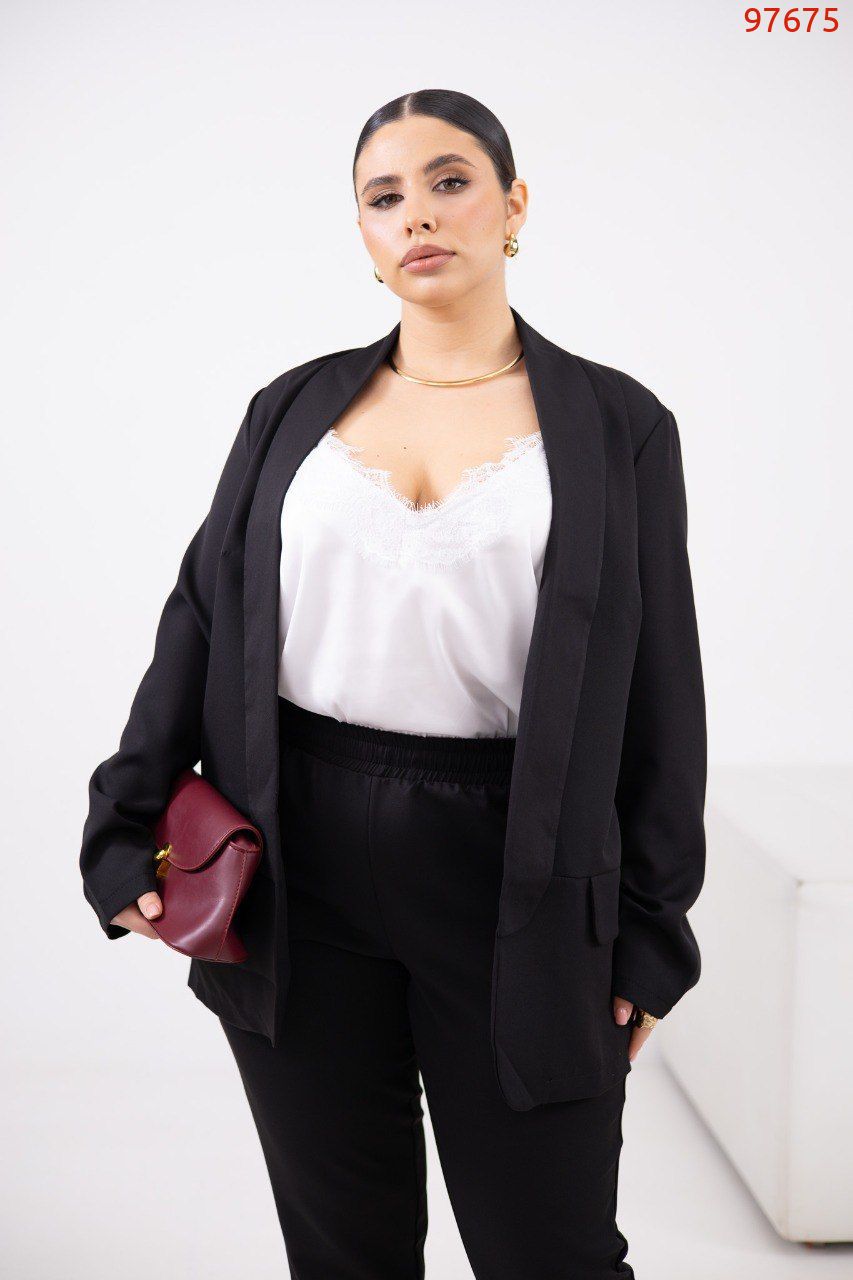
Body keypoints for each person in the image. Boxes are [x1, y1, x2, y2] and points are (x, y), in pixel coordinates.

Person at [79, 88, 707, 1279]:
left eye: (449, 180)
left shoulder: (617, 424)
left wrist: (651, 926)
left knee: (553, 1252)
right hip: (295, 855)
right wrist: (121, 826)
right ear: (363, 233)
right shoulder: (290, 410)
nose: (416, 213)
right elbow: (202, 614)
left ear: (513, 205)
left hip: (521, 865)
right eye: (384, 196)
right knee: (344, 1252)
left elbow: (661, 681)